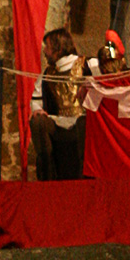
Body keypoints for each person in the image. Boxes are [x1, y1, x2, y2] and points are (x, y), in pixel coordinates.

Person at [29, 28, 87, 181]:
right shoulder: (48, 73)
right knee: (38, 122)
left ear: (58, 47)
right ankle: (48, 176)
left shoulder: (87, 65)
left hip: (83, 122)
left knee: (84, 123)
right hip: (59, 122)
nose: (45, 52)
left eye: (47, 47)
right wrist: (38, 112)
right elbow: (35, 101)